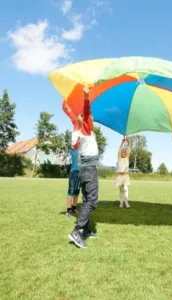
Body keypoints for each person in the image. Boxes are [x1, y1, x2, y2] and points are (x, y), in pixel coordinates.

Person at [68, 85, 100, 249]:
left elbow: (77, 118)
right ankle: (78, 230)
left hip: (83, 169)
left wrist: (69, 111)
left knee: (87, 199)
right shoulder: (85, 131)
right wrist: (86, 97)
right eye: (89, 119)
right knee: (93, 201)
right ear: (86, 122)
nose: (91, 119)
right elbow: (86, 114)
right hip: (88, 169)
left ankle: (85, 229)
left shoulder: (81, 133)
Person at [62, 102, 82, 217]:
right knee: (71, 190)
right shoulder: (75, 126)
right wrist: (66, 101)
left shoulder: (83, 130)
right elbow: (68, 111)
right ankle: (68, 210)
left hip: (81, 170)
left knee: (77, 191)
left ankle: (74, 208)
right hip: (74, 171)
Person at [115, 137, 131, 208]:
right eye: (122, 152)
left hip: (126, 176)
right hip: (120, 176)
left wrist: (128, 142)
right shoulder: (119, 158)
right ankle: (121, 203)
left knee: (126, 189)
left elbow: (129, 149)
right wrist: (122, 142)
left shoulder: (127, 158)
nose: (124, 153)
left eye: (125, 152)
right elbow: (119, 149)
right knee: (121, 190)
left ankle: (126, 202)